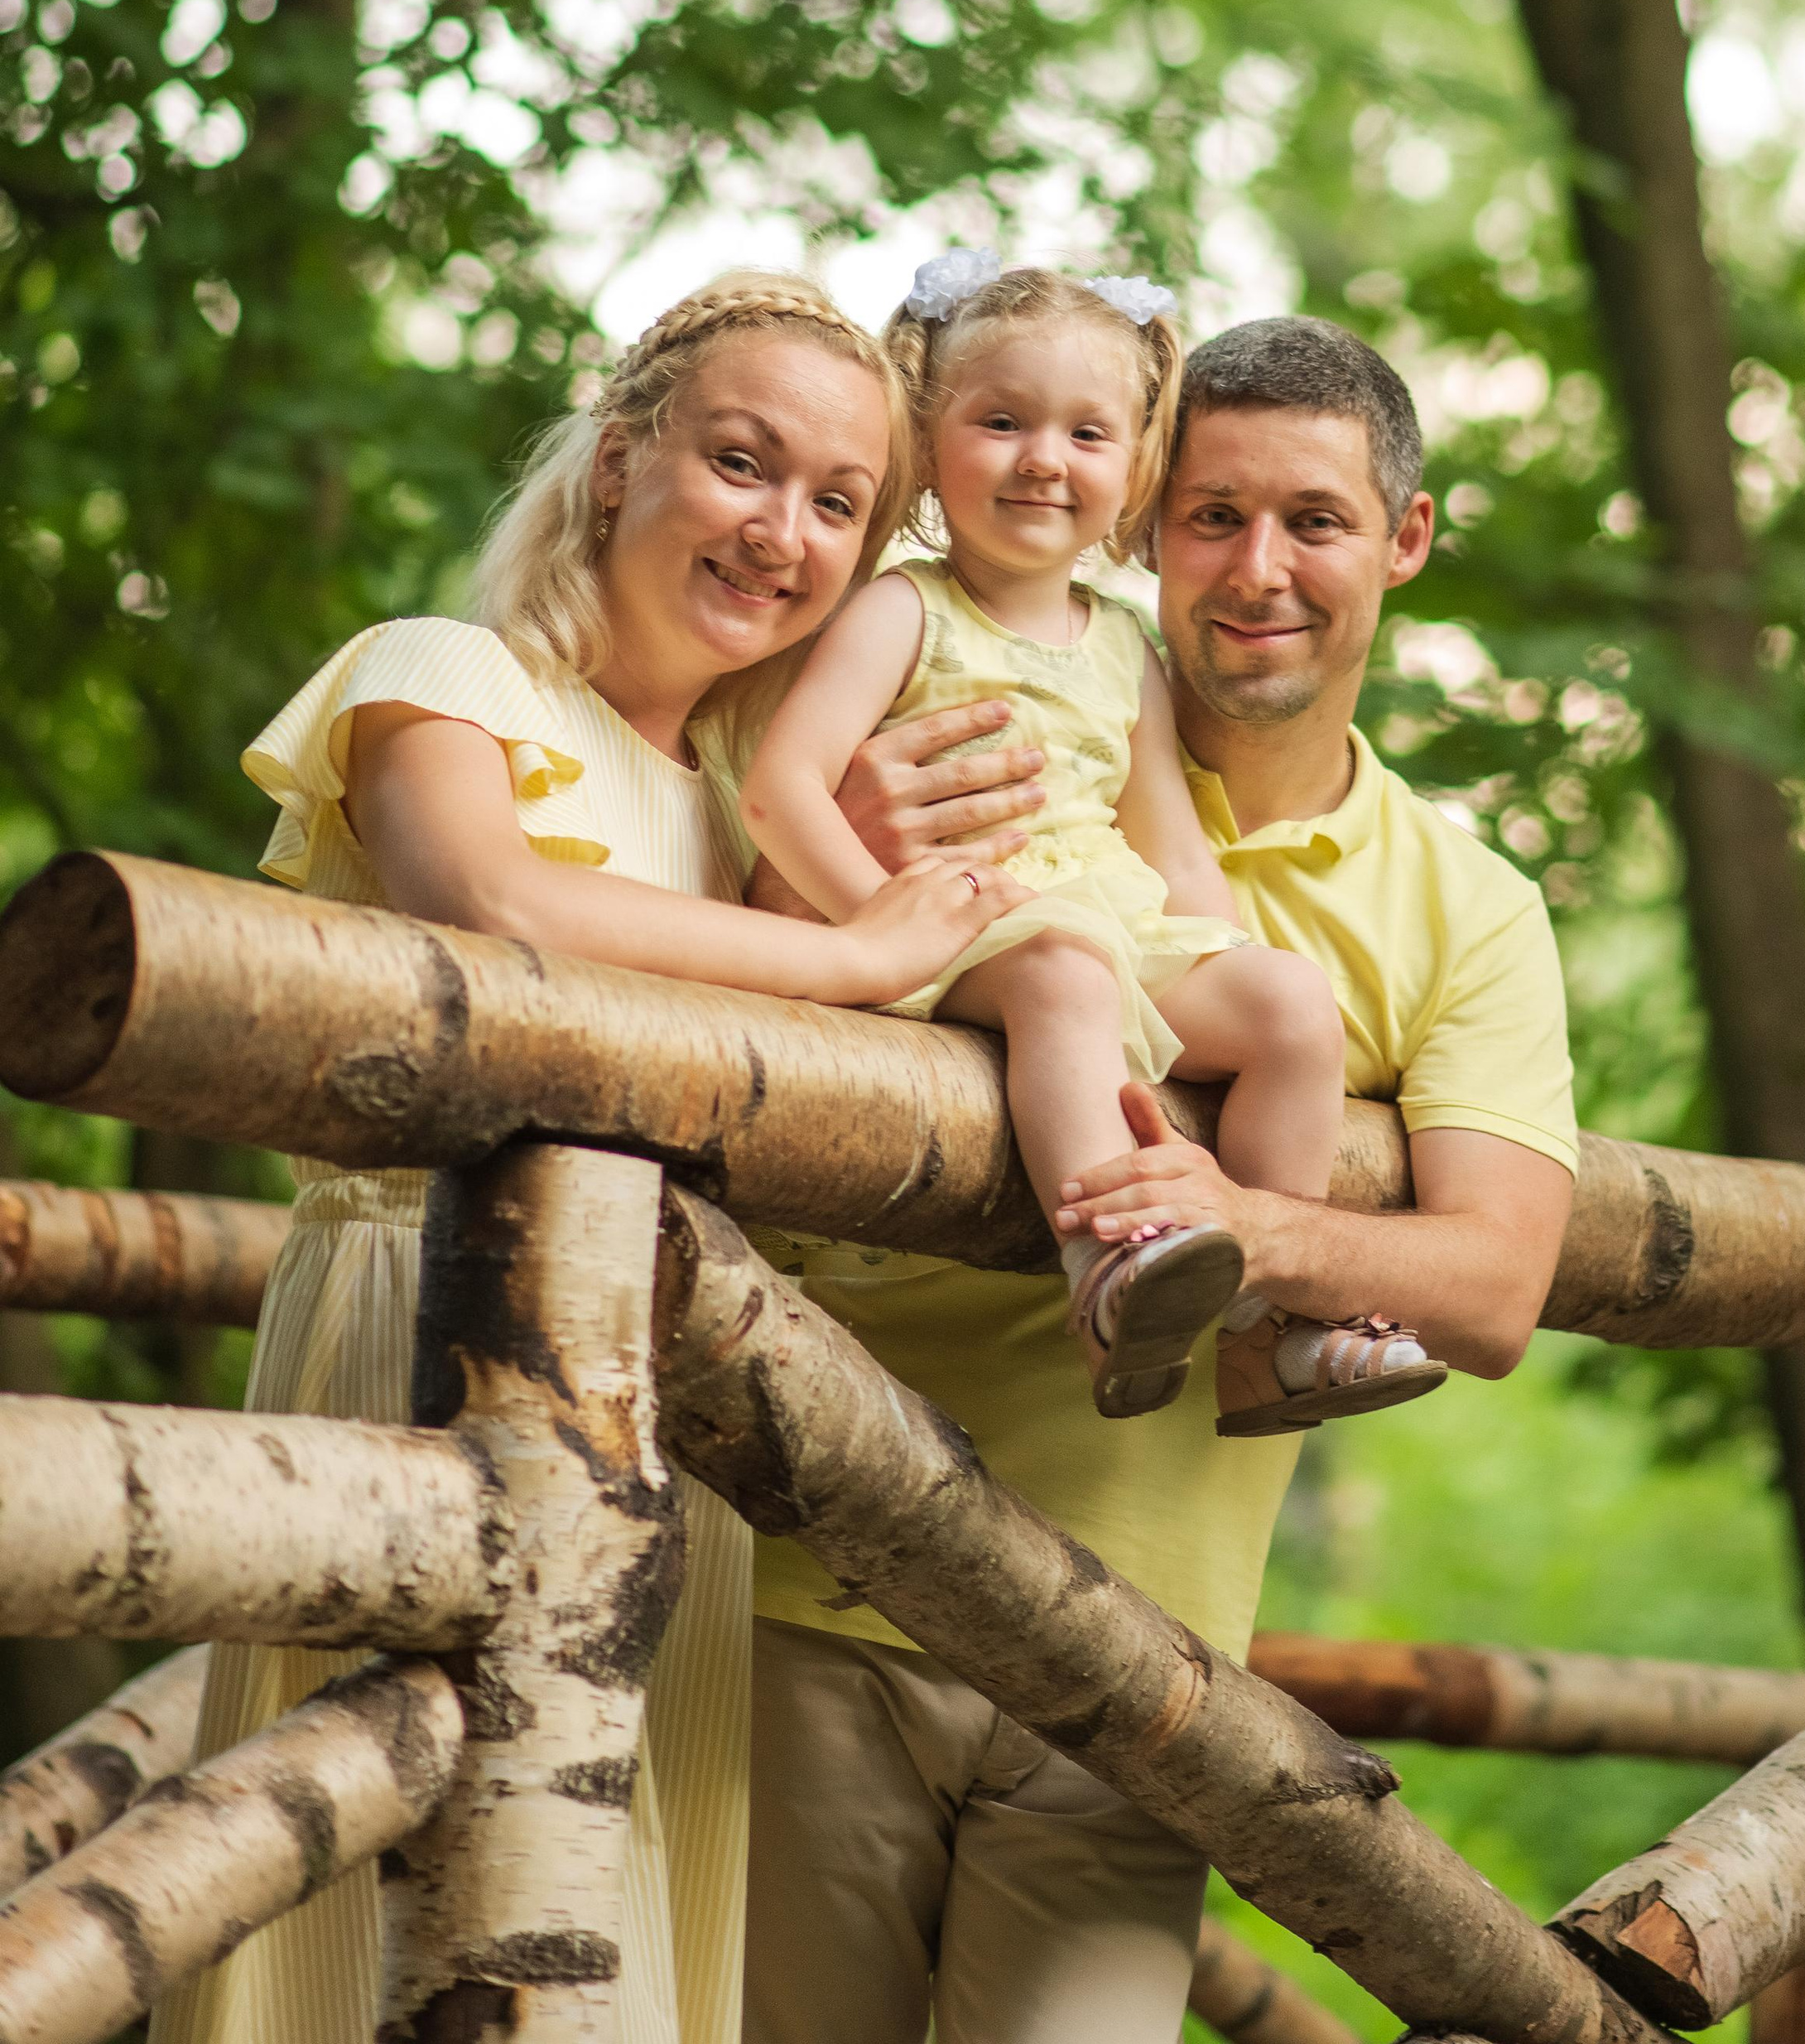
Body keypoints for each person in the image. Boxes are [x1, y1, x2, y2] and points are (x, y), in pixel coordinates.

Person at [152, 272, 1015, 2044]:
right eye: (740, 461)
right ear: (620, 463)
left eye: (836, 502)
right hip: (413, 1339)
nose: (781, 529)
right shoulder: (440, 676)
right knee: (360, 1886)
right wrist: (856, 954)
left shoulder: (733, 814)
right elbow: (495, 903)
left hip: (657, 1397)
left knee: (596, 1933)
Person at [739, 313, 1579, 2044]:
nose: (1255, 566)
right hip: (821, 1576)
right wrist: (854, 878)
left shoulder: (1466, 907)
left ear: (1401, 539)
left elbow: (1494, 1289)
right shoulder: (954, 721)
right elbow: (736, 958)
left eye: (1314, 520)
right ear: (1143, 522)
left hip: (1136, 1663)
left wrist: (1245, 1228)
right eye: (1209, 515)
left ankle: (1180, 1310)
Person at [739, 252, 1442, 1429]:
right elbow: (781, 788)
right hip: (961, 922)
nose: (1042, 459)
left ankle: (1279, 1320)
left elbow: (1171, 853)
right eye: (1002, 420)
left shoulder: (1123, 644)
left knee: (1290, 1004)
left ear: (1135, 469)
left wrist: (1221, 975)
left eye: (1085, 432)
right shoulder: (903, 607)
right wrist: (883, 922)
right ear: (931, 431)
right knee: (1064, 971)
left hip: (1100, 919)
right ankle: (1110, 1267)